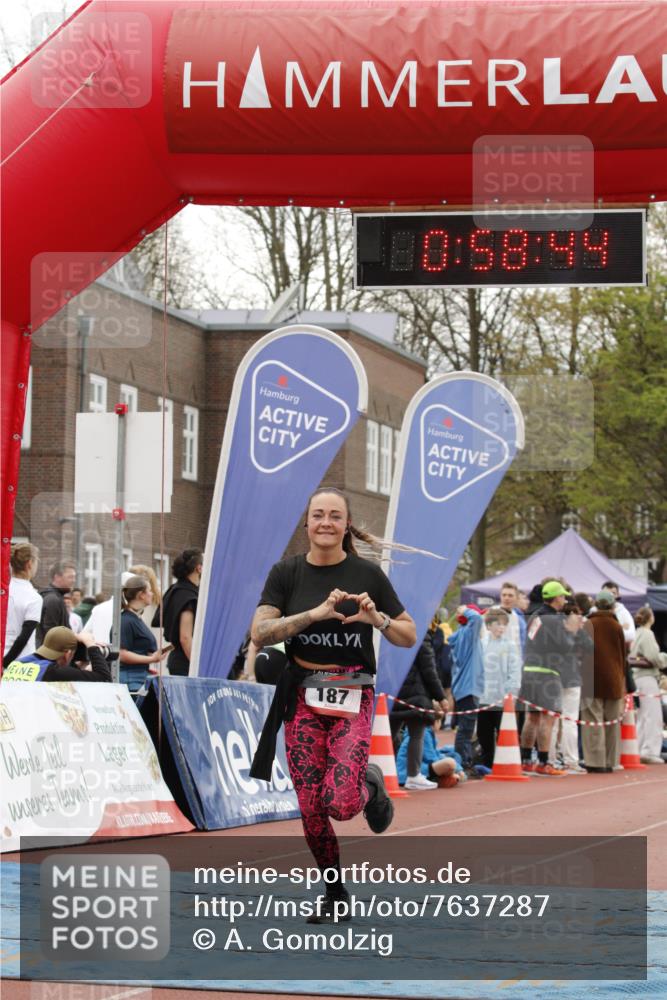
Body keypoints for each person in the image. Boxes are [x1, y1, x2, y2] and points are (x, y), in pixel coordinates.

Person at [249, 487, 416, 922]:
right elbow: (260, 633)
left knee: (340, 803)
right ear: (306, 524)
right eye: (317, 515)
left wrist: (375, 618)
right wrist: (313, 615)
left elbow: (408, 634)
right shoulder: (285, 573)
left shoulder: (368, 576)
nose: (325, 522)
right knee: (310, 807)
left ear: (346, 525)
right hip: (302, 697)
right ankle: (334, 889)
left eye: (334, 516)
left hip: (353, 695)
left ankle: (371, 784)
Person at [519, 580, 579, 776]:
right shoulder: (555, 619)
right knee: (548, 718)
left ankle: (526, 759)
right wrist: (572, 632)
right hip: (547, 672)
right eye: (562, 596)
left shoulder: (535, 616)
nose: (564, 600)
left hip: (529, 670)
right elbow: (566, 646)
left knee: (532, 717)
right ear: (556, 598)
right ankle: (544, 762)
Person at [389, 633, 450, 789]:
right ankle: (413, 775)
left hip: (393, 691)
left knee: (388, 735)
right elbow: (429, 670)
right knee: (416, 736)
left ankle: (377, 770)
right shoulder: (421, 635)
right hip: (416, 694)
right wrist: (441, 697)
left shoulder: (391, 632)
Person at [581, 589, 628, 772]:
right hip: (614, 679)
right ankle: (610, 761)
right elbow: (623, 654)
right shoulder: (616, 626)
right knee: (612, 722)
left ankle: (595, 761)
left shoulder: (589, 624)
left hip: (591, 679)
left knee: (593, 721)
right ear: (612, 604)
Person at [548, 601, 593, 774]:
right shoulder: (574, 630)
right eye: (578, 614)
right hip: (569, 677)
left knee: (554, 721)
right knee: (568, 721)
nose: (580, 617)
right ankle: (569, 760)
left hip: (557, 676)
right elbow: (590, 647)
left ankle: (551, 759)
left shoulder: (554, 628)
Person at [478, 607, 522, 768]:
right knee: (484, 733)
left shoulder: (510, 646)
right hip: (483, 697)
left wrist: (512, 692)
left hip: (503, 698)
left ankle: (506, 763)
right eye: (497, 624)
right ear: (488, 626)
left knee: (504, 731)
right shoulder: (481, 644)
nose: (501, 627)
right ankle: (487, 763)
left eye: (503, 624)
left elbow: (515, 670)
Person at [154, 548, 203, 676]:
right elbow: (185, 638)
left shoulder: (175, 590)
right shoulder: (187, 595)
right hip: (186, 661)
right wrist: (198, 668)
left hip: (180, 657)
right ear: (199, 568)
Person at [448, 605, 485, 775]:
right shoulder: (469, 635)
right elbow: (477, 618)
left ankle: (463, 760)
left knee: (465, 729)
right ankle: (462, 763)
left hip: (464, 688)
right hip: (469, 688)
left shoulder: (459, 635)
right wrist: (465, 610)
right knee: (466, 729)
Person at [2, 626, 111, 682]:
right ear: (68, 654)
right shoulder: (52, 671)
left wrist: (80, 667)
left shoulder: (16, 664)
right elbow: (104, 678)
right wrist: (90, 644)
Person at [119, 575, 168, 695]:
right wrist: (151, 658)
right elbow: (122, 654)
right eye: (149, 590)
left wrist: (150, 661)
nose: (152, 593)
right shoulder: (126, 620)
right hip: (131, 682)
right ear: (141, 594)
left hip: (139, 678)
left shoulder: (135, 619)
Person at [630, 606, 667, 764]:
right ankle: (650, 750)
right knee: (653, 716)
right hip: (647, 677)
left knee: (642, 716)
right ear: (650, 618)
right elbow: (653, 657)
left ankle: (638, 749)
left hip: (637, 677)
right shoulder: (648, 634)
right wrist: (664, 657)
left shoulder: (636, 634)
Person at [3, 543, 43, 669]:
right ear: (29, 564)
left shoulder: (3, 591)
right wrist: (4, 664)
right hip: (22, 664)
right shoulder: (34, 597)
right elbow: (24, 637)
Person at [396, 716, 464, 788]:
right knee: (450, 763)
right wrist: (454, 770)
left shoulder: (426, 731)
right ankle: (440, 778)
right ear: (436, 722)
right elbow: (431, 758)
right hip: (408, 772)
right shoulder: (424, 733)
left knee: (454, 756)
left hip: (418, 767)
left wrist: (458, 768)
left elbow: (435, 754)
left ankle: (442, 778)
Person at [37, 560, 77, 642]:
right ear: (57, 577)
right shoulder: (53, 600)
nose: (74, 580)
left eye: (74, 577)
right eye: (70, 577)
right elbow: (51, 633)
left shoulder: (53, 597)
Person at [592, 580, 636, 647]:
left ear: (618, 595)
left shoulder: (624, 613)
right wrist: (620, 628)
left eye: (613, 593)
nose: (609, 596)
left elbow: (631, 635)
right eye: (606, 593)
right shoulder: (593, 612)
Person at [499, 581, 527, 654]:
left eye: (510, 595)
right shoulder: (491, 615)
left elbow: (521, 644)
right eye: (504, 595)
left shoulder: (519, 619)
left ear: (517, 598)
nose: (506, 598)